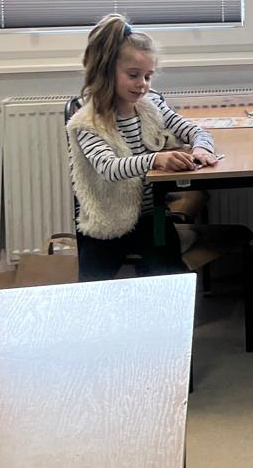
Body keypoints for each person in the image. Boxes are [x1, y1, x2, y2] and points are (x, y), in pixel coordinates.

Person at [66, 15, 219, 281]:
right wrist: (155, 160)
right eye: (134, 75)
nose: (143, 84)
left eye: (148, 76)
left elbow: (196, 131)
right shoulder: (86, 121)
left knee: (171, 278)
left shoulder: (152, 105)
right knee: (91, 292)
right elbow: (109, 168)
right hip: (105, 224)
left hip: (152, 217)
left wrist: (201, 149)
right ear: (106, 71)